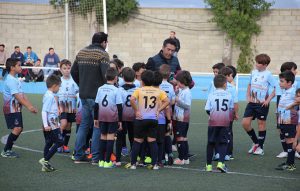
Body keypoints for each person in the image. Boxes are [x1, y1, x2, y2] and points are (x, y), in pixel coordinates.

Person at [71, 32, 110, 163]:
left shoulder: (81, 52)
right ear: (104, 42)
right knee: (97, 125)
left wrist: (81, 85)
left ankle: (78, 155)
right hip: (97, 96)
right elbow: (106, 75)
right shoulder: (103, 54)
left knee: (84, 125)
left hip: (83, 94)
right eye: (106, 42)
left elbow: (73, 71)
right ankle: (95, 157)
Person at [126, 70, 169, 170]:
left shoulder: (139, 90)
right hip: (153, 119)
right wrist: (159, 110)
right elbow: (167, 101)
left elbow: (132, 99)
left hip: (141, 119)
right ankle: (155, 165)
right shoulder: (159, 91)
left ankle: (133, 164)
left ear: (142, 80)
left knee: (137, 141)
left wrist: (136, 110)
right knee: (152, 141)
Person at [1, 58, 38, 158]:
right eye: (18, 65)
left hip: (16, 108)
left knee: (18, 128)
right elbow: (17, 96)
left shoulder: (15, 79)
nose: (20, 67)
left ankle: (7, 149)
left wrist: (31, 105)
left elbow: (22, 94)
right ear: (12, 68)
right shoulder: (11, 80)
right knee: (17, 128)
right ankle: (6, 150)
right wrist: (29, 107)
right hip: (11, 108)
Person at [242, 54, 276, 155]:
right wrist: (248, 96)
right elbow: (249, 84)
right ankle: (256, 142)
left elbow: (276, 88)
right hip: (252, 103)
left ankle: (260, 148)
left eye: (259, 63)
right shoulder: (253, 72)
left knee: (261, 124)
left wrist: (268, 100)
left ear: (265, 65)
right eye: (256, 62)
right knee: (245, 123)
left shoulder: (268, 75)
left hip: (262, 104)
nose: (256, 64)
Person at [204, 74, 234, 173]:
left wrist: (213, 115)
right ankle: (221, 163)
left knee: (210, 143)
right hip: (225, 123)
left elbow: (207, 109)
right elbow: (231, 109)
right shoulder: (229, 95)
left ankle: (208, 166)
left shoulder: (211, 94)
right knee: (223, 142)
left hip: (213, 122)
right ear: (225, 84)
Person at [95, 68, 123, 168]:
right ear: (116, 78)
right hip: (112, 117)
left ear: (106, 77)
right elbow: (119, 107)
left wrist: (95, 118)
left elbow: (96, 105)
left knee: (103, 137)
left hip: (102, 116)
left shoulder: (100, 88)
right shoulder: (116, 90)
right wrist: (120, 120)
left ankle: (101, 161)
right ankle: (107, 162)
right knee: (110, 138)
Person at [275, 62, 300, 159]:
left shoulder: (293, 91)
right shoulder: (286, 91)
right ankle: (289, 163)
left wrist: (292, 106)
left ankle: (291, 164)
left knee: (290, 140)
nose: (279, 83)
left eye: (281, 81)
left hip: (289, 120)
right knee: (287, 139)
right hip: (283, 119)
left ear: (289, 83)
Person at [39, 74, 63, 172]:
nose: (59, 88)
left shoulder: (48, 94)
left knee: (49, 142)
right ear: (54, 86)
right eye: (59, 86)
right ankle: (45, 160)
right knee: (60, 141)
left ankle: (46, 166)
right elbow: (44, 111)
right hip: (52, 122)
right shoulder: (49, 96)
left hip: (51, 122)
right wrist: (46, 125)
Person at [57, 59, 79, 153]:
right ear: (60, 69)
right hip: (62, 106)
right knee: (63, 124)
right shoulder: (59, 81)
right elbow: (55, 94)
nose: (67, 70)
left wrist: (76, 100)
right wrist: (57, 107)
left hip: (71, 106)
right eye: (64, 68)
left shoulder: (74, 80)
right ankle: (58, 143)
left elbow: (78, 93)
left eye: (68, 68)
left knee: (69, 126)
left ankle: (65, 145)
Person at [117, 67, 137, 165]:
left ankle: (118, 158)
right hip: (133, 117)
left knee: (120, 136)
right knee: (133, 136)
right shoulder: (137, 90)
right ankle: (134, 155)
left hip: (122, 117)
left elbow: (118, 104)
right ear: (134, 78)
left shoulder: (119, 90)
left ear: (123, 78)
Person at [172, 71, 193, 165]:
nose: (177, 84)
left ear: (183, 82)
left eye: (179, 82)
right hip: (179, 117)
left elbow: (187, 106)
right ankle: (185, 158)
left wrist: (177, 100)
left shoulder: (187, 92)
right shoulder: (181, 90)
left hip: (182, 119)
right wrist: (176, 92)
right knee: (183, 138)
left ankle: (181, 158)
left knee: (180, 138)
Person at [219, 66, 239, 160]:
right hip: (228, 113)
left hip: (218, 113)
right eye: (231, 75)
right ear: (227, 76)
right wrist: (235, 114)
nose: (232, 77)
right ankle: (228, 153)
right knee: (228, 133)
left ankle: (218, 153)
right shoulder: (232, 87)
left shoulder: (217, 86)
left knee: (218, 132)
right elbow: (235, 103)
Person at [159, 64, 175, 165]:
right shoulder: (170, 86)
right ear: (169, 75)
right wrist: (167, 104)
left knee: (160, 135)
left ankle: (162, 157)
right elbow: (173, 101)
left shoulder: (157, 85)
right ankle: (169, 153)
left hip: (159, 113)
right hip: (168, 112)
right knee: (167, 134)